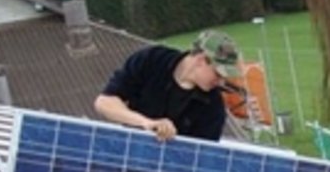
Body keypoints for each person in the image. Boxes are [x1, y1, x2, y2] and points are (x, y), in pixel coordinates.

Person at [94, 29, 243, 142]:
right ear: (201, 60)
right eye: (217, 74)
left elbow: (200, 159)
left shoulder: (213, 108)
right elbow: (104, 102)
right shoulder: (152, 60)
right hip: (129, 154)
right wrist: (146, 123)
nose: (220, 81)